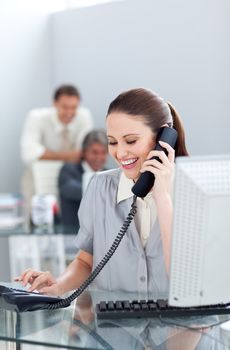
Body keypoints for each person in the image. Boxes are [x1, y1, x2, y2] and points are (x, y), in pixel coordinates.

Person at [16, 88, 188, 296]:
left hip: (177, 326)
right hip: (114, 327)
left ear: (163, 139)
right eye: (113, 142)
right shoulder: (100, 187)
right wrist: (59, 285)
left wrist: (163, 197)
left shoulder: (190, 191)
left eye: (131, 140)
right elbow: (85, 260)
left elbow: (186, 279)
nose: (120, 152)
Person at [20, 84, 93, 220]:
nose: (69, 112)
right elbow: (28, 154)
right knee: (36, 222)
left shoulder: (84, 116)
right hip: (37, 183)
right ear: (54, 104)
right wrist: (69, 156)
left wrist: (44, 155)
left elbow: (84, 154)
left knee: (70, 222)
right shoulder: (37, 117)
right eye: (65, 107)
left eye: (74, 107)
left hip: (69, 181)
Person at [58, 129, 108, 228]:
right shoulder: (68, 170)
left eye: (103, 152)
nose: (99, 157)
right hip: (72, 231)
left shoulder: (109, 173)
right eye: (95, 152)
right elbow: (72, 190)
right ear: (84, 152)